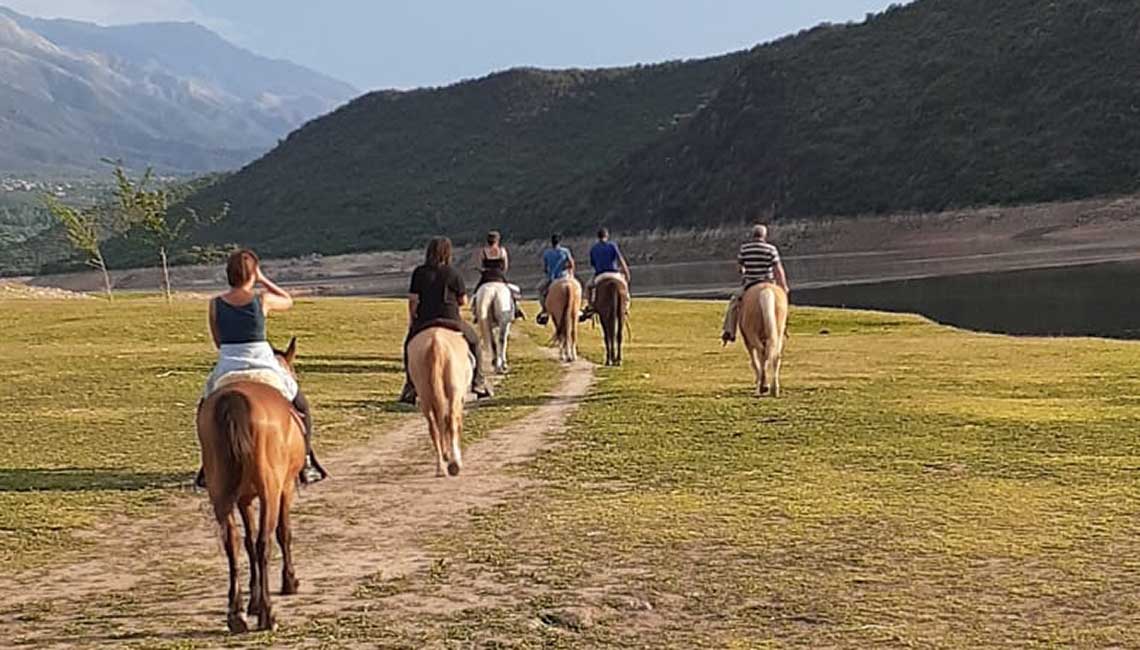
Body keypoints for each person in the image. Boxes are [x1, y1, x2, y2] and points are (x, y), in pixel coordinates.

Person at [197, 249, 327, 487]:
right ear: (252, 274)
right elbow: (288, 300)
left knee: (205, 407)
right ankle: (306, 460)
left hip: (228, 364)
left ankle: (208, 465)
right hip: (263, 362)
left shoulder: (215, 304)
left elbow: (218, 341)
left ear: (228, 274)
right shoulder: (262, 300)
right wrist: (264, 279)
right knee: (301, 405)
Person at [399, 237, 493, 404]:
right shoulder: (453, 273)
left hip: (425, 320)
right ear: (447, 253)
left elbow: (413, 300)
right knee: (475, 343)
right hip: (451, 320)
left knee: (408, 347)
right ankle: (478, 383)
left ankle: (410, 386)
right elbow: (463, 300)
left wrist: (413, 320)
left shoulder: (419, 272)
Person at [722, 224, 790, 344]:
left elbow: (739, 267)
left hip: (751, 284)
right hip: (769, 282)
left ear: (753, 235)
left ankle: (729, 331)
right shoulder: (771, 249)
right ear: (764, 235)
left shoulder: (745, 249)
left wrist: (743, 271)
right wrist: (783, 286)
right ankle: (783, 328)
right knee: (782, 303)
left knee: (733, 303)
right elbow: (778, 270)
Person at [580, 227, 631, 321]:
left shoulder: (594, 248)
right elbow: (620, 259)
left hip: (600, 274)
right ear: (607, 236)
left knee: (588, 287)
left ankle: (590, 307)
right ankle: (625, 307)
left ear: (598, 237)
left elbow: (593, 264)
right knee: (625, 289)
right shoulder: (612, 245)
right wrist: (626, 272)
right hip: (614, 273)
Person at [473, 230, 525, 321]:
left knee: (476, 294)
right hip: (499, 277)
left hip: (486, 278)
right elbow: (505, 267)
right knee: (512, 294)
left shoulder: (483, 251)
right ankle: (516, 310)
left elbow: (479, 266)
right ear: (497, 240)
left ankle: (476, 314)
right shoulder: (502, 251)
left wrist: (483, 270)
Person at [535, 234, 574, 326]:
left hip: (552, 278)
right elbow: (571, 264)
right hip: (564, 276)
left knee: (540, 289)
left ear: (551, 242)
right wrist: (571, 274)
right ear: (560, 242)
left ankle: (544, 309)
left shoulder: (547, 253)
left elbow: (545, 268)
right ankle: (579, 309)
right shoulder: (565, 251)